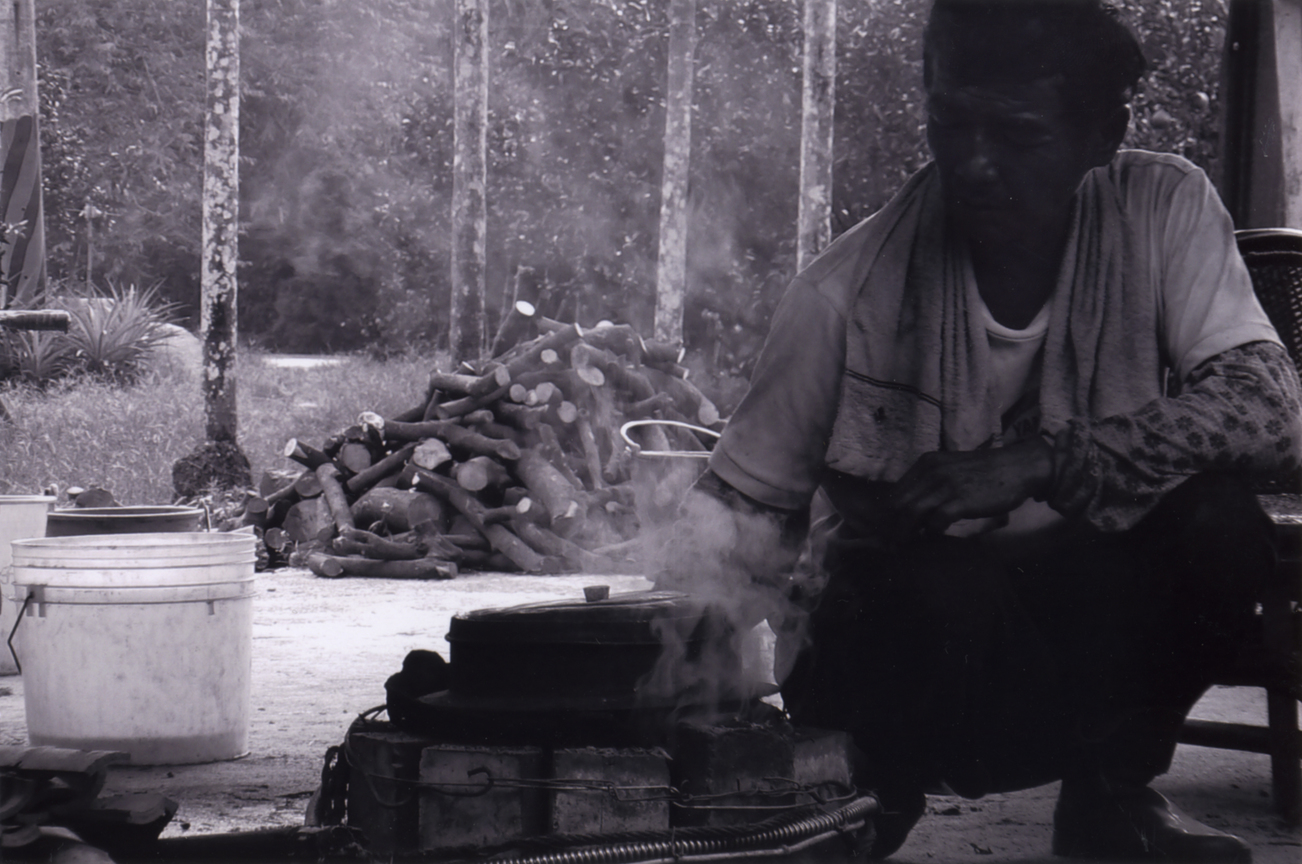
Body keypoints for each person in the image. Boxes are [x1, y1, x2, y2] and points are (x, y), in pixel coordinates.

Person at [675, 0, 1302, 860]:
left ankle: (1109, 801)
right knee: (933, 583)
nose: (972, 163)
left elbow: (1272, 407)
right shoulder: (845, 292)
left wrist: (1045, 460)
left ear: (1102, 136)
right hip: (904, 654)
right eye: (949, 122)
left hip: (1076, 632)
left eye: (1016, 134)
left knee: (1221, 526)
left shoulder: (1163, 208)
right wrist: (685, 724)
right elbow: (738, 522)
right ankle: (861, 807)